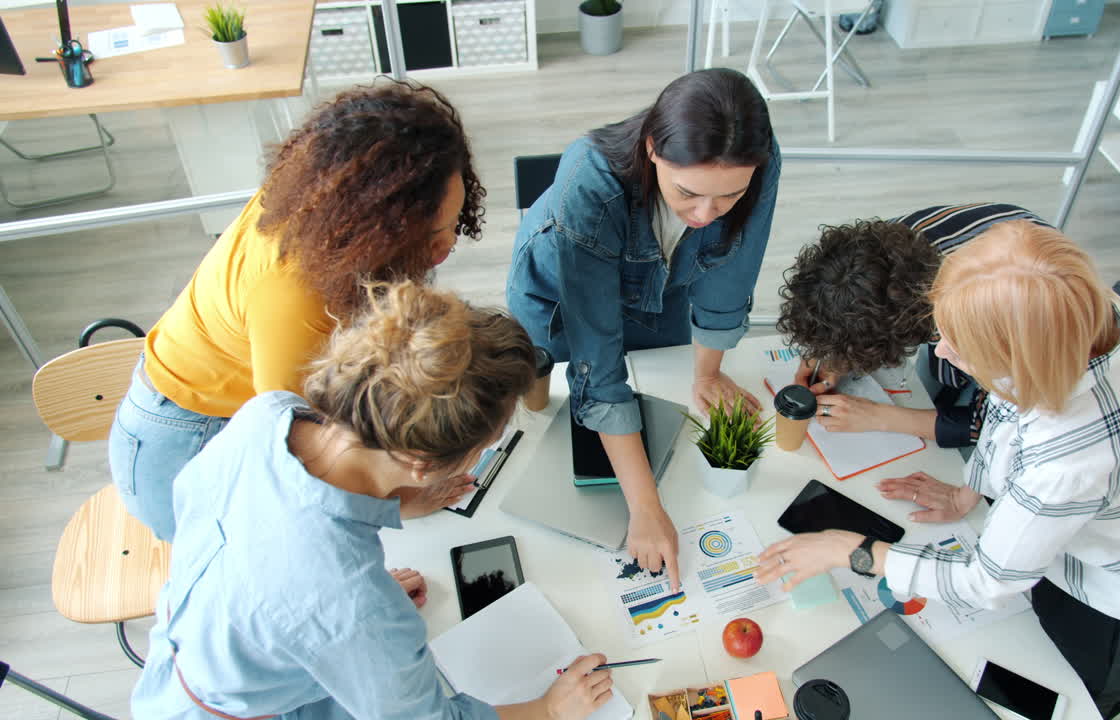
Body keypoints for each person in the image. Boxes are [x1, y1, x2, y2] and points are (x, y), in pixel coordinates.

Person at [757, 221, 1120, 719]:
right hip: (1069, 550)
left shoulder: (1070, 457)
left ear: (1018, 358)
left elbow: (986, 582)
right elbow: (1006, 409)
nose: (940, 351)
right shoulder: (1079, 314)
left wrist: (849, 549)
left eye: (960, 346)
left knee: (1057, 703)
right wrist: (970, 490)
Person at [131, 280, 615, 720]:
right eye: (484, 446)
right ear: (423, 464)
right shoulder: (353, 603)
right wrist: (549, 709)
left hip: (198, 645)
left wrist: (338, 616)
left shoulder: (268, 413)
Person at [108, 80, 486, 541]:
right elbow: (299, 462)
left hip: (218, 410)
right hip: (189, 438)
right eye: (428, 235)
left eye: (453, 224)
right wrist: (401, 501)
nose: (446, 247)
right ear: (377, 223)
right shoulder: (291, 296)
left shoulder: (320, 201)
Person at [506, 68, 781, 586]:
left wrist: (707, 373)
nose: (706, 214)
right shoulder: (587, 184)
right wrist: (647, 508)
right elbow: (596, 365)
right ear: (653, 148)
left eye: (729, 196)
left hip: (663, 286)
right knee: (547, 419)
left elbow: (732, 271)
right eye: (688, 192)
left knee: (662, 387)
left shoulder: (758, 158)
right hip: (560, 302)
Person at [776, 203, 1049, 449]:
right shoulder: (885, 247)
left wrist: (877, 417)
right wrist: (833, 357)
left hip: (1029, 319)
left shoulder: (987, 321)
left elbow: (990, 425)